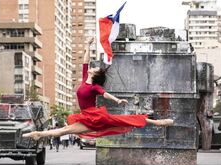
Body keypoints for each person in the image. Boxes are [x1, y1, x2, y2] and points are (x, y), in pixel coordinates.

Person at [24, 37, 173, 141]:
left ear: (95, 74)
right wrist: (88, 46)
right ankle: (38, 134)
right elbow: (85, 60)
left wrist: (117, 100)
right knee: (65, 130)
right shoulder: (84, 79)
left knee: (123, 120)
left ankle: (158, 123)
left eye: (94, 68)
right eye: (93, 67)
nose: (92, 67)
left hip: (95, 117)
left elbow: (105, 94)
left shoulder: (94, 86)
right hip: (85, 117)